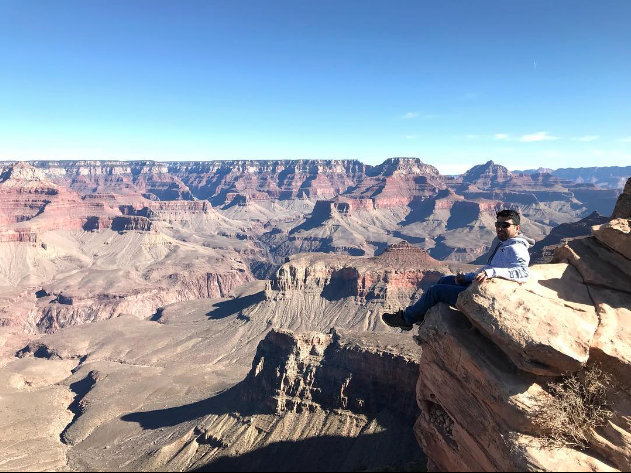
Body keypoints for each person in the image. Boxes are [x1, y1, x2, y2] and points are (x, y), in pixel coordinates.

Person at [382, 209, 535, 331]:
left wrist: (492, 273)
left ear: (517, 227)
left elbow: (523, 273)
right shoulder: (503, 242)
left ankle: (406, 319)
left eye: (505, 225)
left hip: (488, 295)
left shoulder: (516, 248)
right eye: (498, 224)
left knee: (435, 291)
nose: (500, 228)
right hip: (478, 285)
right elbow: (488, 268)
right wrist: (467, 277)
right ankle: (421, 315)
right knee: (444, 280)